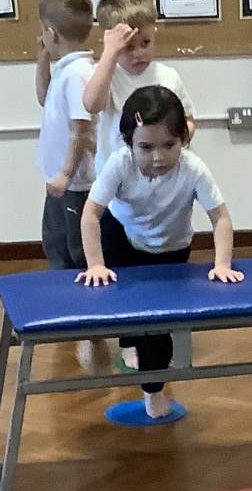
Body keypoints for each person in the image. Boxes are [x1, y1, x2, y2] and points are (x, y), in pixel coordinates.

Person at [78, 86, 241, 420]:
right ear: (128, 143)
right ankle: (112, 336)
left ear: (184, 139)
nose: (158, 157)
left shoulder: (193, 169)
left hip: (169, 249)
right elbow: (90, 214)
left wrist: (222, 263)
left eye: (169, 145)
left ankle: (153, 391)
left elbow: (220, 218)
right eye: (146, 147)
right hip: (121, 238)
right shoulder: (120, 163)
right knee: (121, 303)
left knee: (156, 330)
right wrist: (95, 265)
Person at [83, 0, 194, 370]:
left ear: (155, 34)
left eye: (145, 43)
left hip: (162, 189)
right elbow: (91, 104)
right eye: (128, 47)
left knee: (161, 268)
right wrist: (109, 55)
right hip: (119, 192)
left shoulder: (167, 77)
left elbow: (187, 119)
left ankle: (161, 333)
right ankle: (130, 338)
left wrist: (180, 141)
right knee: (124, 269)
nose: (138, 54)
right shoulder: (108, 74)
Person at [33, 0, 100, 366]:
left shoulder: (78, 74)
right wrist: (41, 59)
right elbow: (43, 97)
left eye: (43, 33)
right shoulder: (65, 69)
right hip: (62, 184)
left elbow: (81, 129)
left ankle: (86, 315)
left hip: (76, 185)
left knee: (75, 251)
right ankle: (68, 310)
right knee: (55, 244)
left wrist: (64, 173)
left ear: (52, 33)